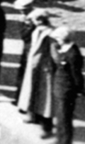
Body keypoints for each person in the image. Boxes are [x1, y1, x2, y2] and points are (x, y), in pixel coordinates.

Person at [18, 9, 57, 137]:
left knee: (45, 99)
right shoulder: (37, 30)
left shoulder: (50, 34)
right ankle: (32, 115)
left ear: (40, 20)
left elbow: (55, 55)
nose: (32, 22)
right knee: (31, 92)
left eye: (34, 20)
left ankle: (46, 128)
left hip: (45, 69)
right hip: (34, 67)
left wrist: (52, 67)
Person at [50, 26, 85, 144]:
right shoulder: (64, 49)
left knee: (65, 118)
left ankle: (64, 141)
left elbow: (76, 74)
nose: (57, 40)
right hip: (60, 88)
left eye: (58, 38)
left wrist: (79, 89)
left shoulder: (73, 54)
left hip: (67, 90)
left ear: (64, 38)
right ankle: (59, 139)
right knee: (60, 116)